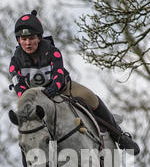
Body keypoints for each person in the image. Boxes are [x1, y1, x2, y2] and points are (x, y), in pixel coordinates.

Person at [9, 10, 140, 154]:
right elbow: (18, 86)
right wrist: (27, 101)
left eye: (32, 38)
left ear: (39, 38)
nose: (28, 43)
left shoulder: (52, 51)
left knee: (90, 96)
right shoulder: (15, 61)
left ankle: (120, 136)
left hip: (62, 88)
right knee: (28, 133)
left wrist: (54, 88)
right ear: (18, 40)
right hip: (37, 98)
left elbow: (58, 73)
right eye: (23, 39)